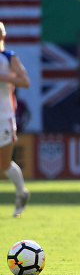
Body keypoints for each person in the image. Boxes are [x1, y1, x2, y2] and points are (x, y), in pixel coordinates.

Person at [0, 22, 31, 217]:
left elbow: (25, 81)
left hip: (3, 117)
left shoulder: (8, 57)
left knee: (3, 164)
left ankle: (21, 192)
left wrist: (4, 76)